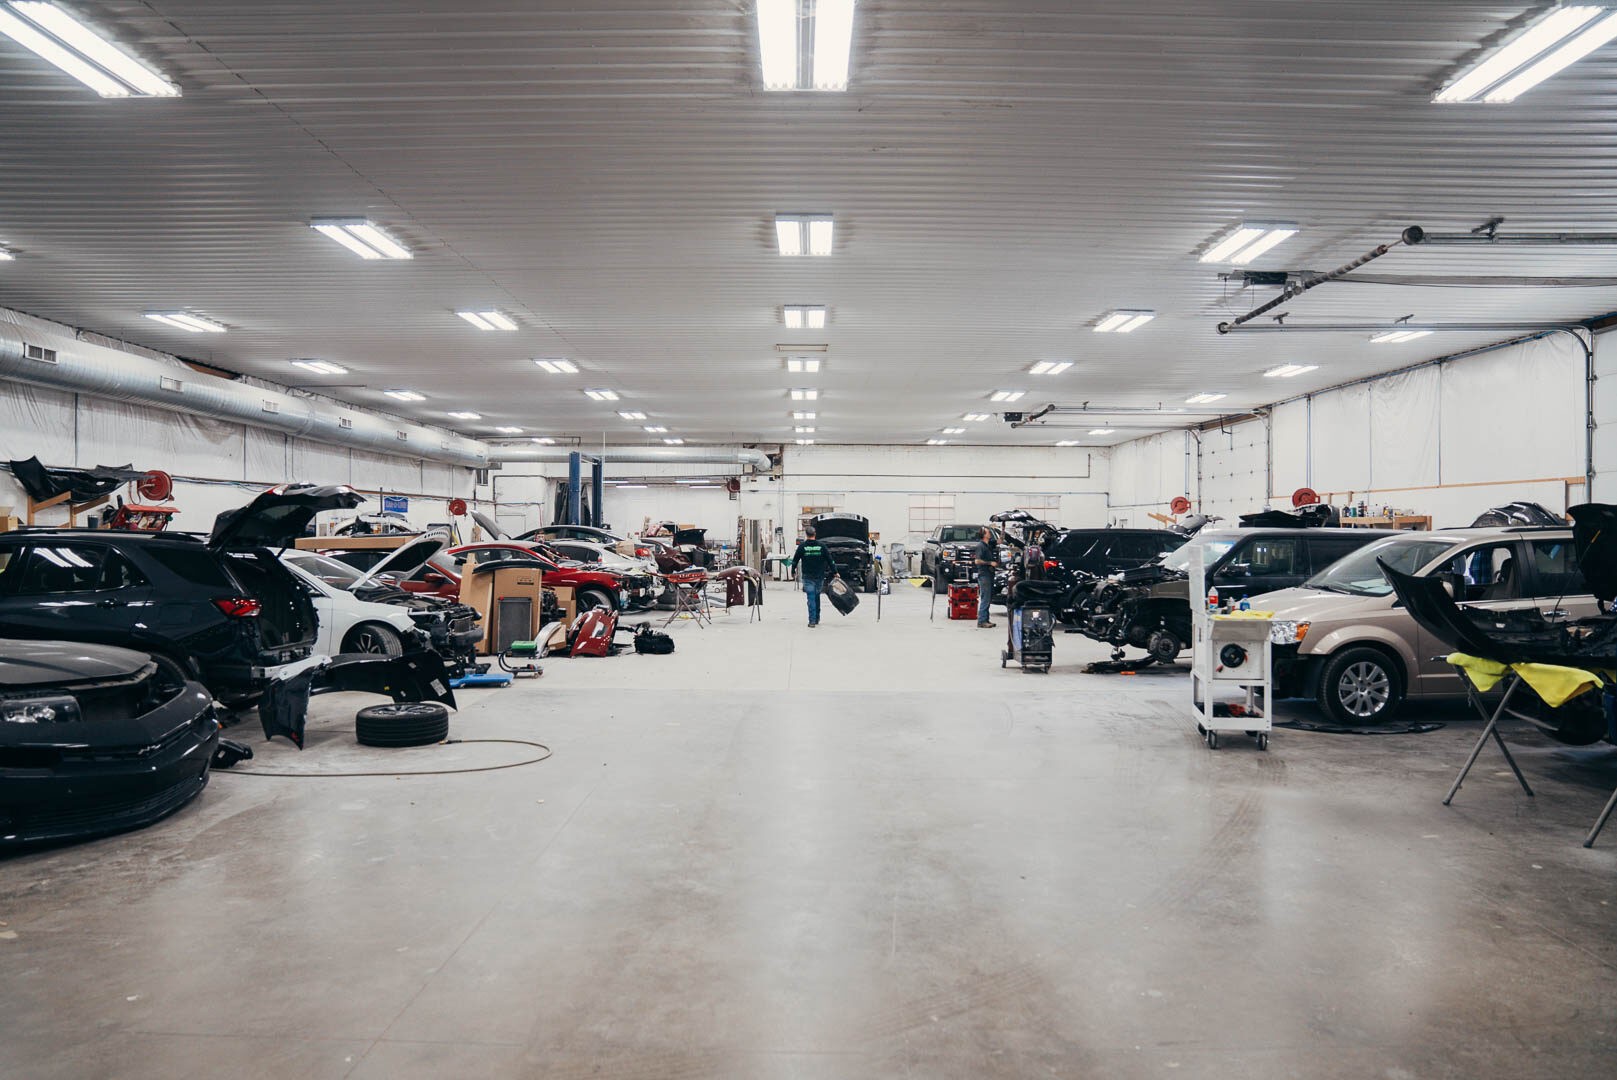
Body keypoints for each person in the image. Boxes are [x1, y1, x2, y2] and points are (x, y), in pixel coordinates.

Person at [788, 525, 831, 627]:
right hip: (819, 576)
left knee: (811, 597)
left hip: (807, 577)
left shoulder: (802, 546)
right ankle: (817, 618)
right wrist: (835, 572)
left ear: (806, 535)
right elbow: (830, 560)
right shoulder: (822, 546)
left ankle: (812, 621)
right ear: (815, 534)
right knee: (816, 596)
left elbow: (795, 560)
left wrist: (793, 571)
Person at [973, 526, 999, 628]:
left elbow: (1000, 541)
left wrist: (1002, 529)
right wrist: (990, 563)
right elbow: (977, 561)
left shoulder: (988, 545)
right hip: (984, 575)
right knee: (985, 598)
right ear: (984, 535)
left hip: (989, 574)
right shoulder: (981, 546)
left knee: (988, 598)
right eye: (988, 532)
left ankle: (986, 620)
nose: (990, 534)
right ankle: (981, 621)